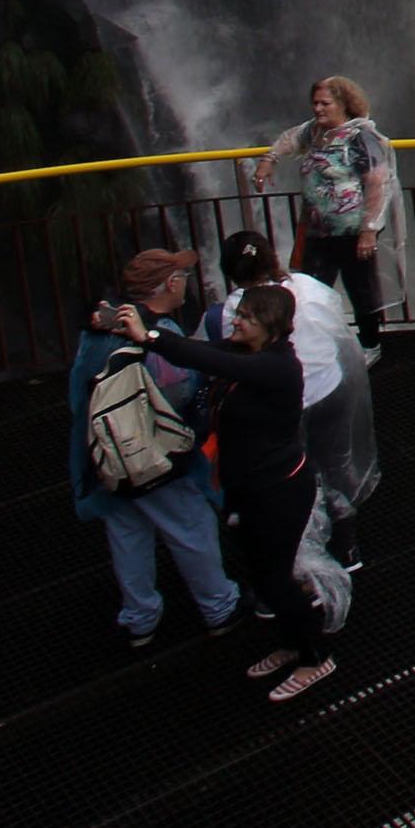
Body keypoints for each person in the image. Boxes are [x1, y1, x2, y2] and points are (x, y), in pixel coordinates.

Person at [101, 283, 334, 700]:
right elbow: (204, 352)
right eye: (239, 313)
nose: (236, 321)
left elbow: (204, 357)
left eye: (247, 318)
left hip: (279, 491)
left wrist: (149, 338)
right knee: (262, 576)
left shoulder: (279, 367)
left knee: (276, 579)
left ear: (273, 327)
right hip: (248, 487)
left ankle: (315, 655)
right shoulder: (245, 352)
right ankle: (291, 643)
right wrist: (135, 324)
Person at [70, 247, 243, 650]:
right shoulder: (158, 333)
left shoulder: (99, 329)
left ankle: (139, 618)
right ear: (170, 284)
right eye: (182, 276)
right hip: (155, 455)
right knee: (190, 525)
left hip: (107, 456)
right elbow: (180, 390)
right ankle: (220, 607)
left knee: (127, 531)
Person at [217, 235, 378, 573]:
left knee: (295, 476)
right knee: (334, 465)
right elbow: (335, 322)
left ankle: (305, 558)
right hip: (329, 388)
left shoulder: (238, 306)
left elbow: (234, 354)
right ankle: (348, 546)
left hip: (286, 404)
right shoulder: (305, 284)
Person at [259, 75, 398, 354]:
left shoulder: (361, 137)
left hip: (352, 230)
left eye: (325, 103)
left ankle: (371, 344)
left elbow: (376, 182)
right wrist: (268, 160)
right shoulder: (313, 132)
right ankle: (316, 344)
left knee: (360, 289)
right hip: (318, 229)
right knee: (310, 288)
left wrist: (369, 230)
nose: (318, 109)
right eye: (315, 103)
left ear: (344, 104)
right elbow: (288, 139)